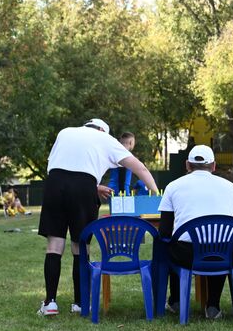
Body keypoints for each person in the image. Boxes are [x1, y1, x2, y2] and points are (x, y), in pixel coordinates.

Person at [37, 118, 159, 317]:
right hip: (84, 187)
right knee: (80, 246)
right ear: (103, 130)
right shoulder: (106, 139)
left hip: (54, 183)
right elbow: (140, 168)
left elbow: (61, 168)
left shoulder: (65, 131)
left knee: (54, 245)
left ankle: (50, 302)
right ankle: (80, 302)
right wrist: (157, 195)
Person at [158, 145, 233, 320]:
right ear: (213, 166)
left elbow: (165, 230)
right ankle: (213, 305)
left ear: (187, 165)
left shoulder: (173, 186)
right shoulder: (231, 188)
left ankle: (175, 301)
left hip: (186, 255)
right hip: (223, 254)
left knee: (170, 245)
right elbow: (232, 222)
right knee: (220, 246)